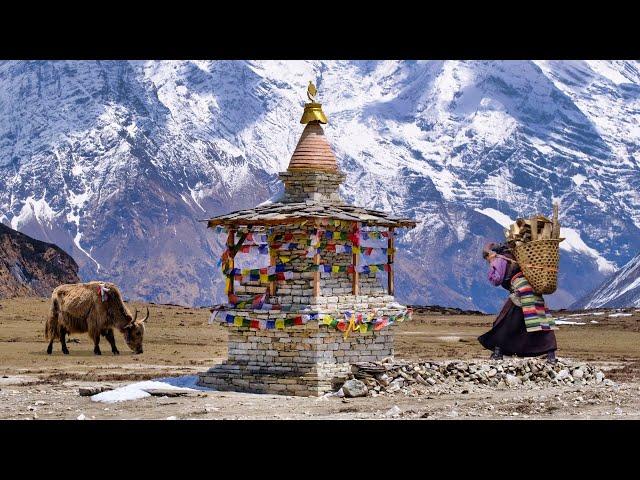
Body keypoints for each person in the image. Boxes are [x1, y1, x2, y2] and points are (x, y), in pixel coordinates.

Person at [478, 242, 558, 363]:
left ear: (491, 254)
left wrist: (492, 267)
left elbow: (497, 280)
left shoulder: (499, 260)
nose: (487, 260)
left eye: (487, 257)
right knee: (539, 319)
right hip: (532, 289)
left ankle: (498, 351)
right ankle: (550, 354)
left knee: (505, 320)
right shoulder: (513, 256)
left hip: (519, 291)